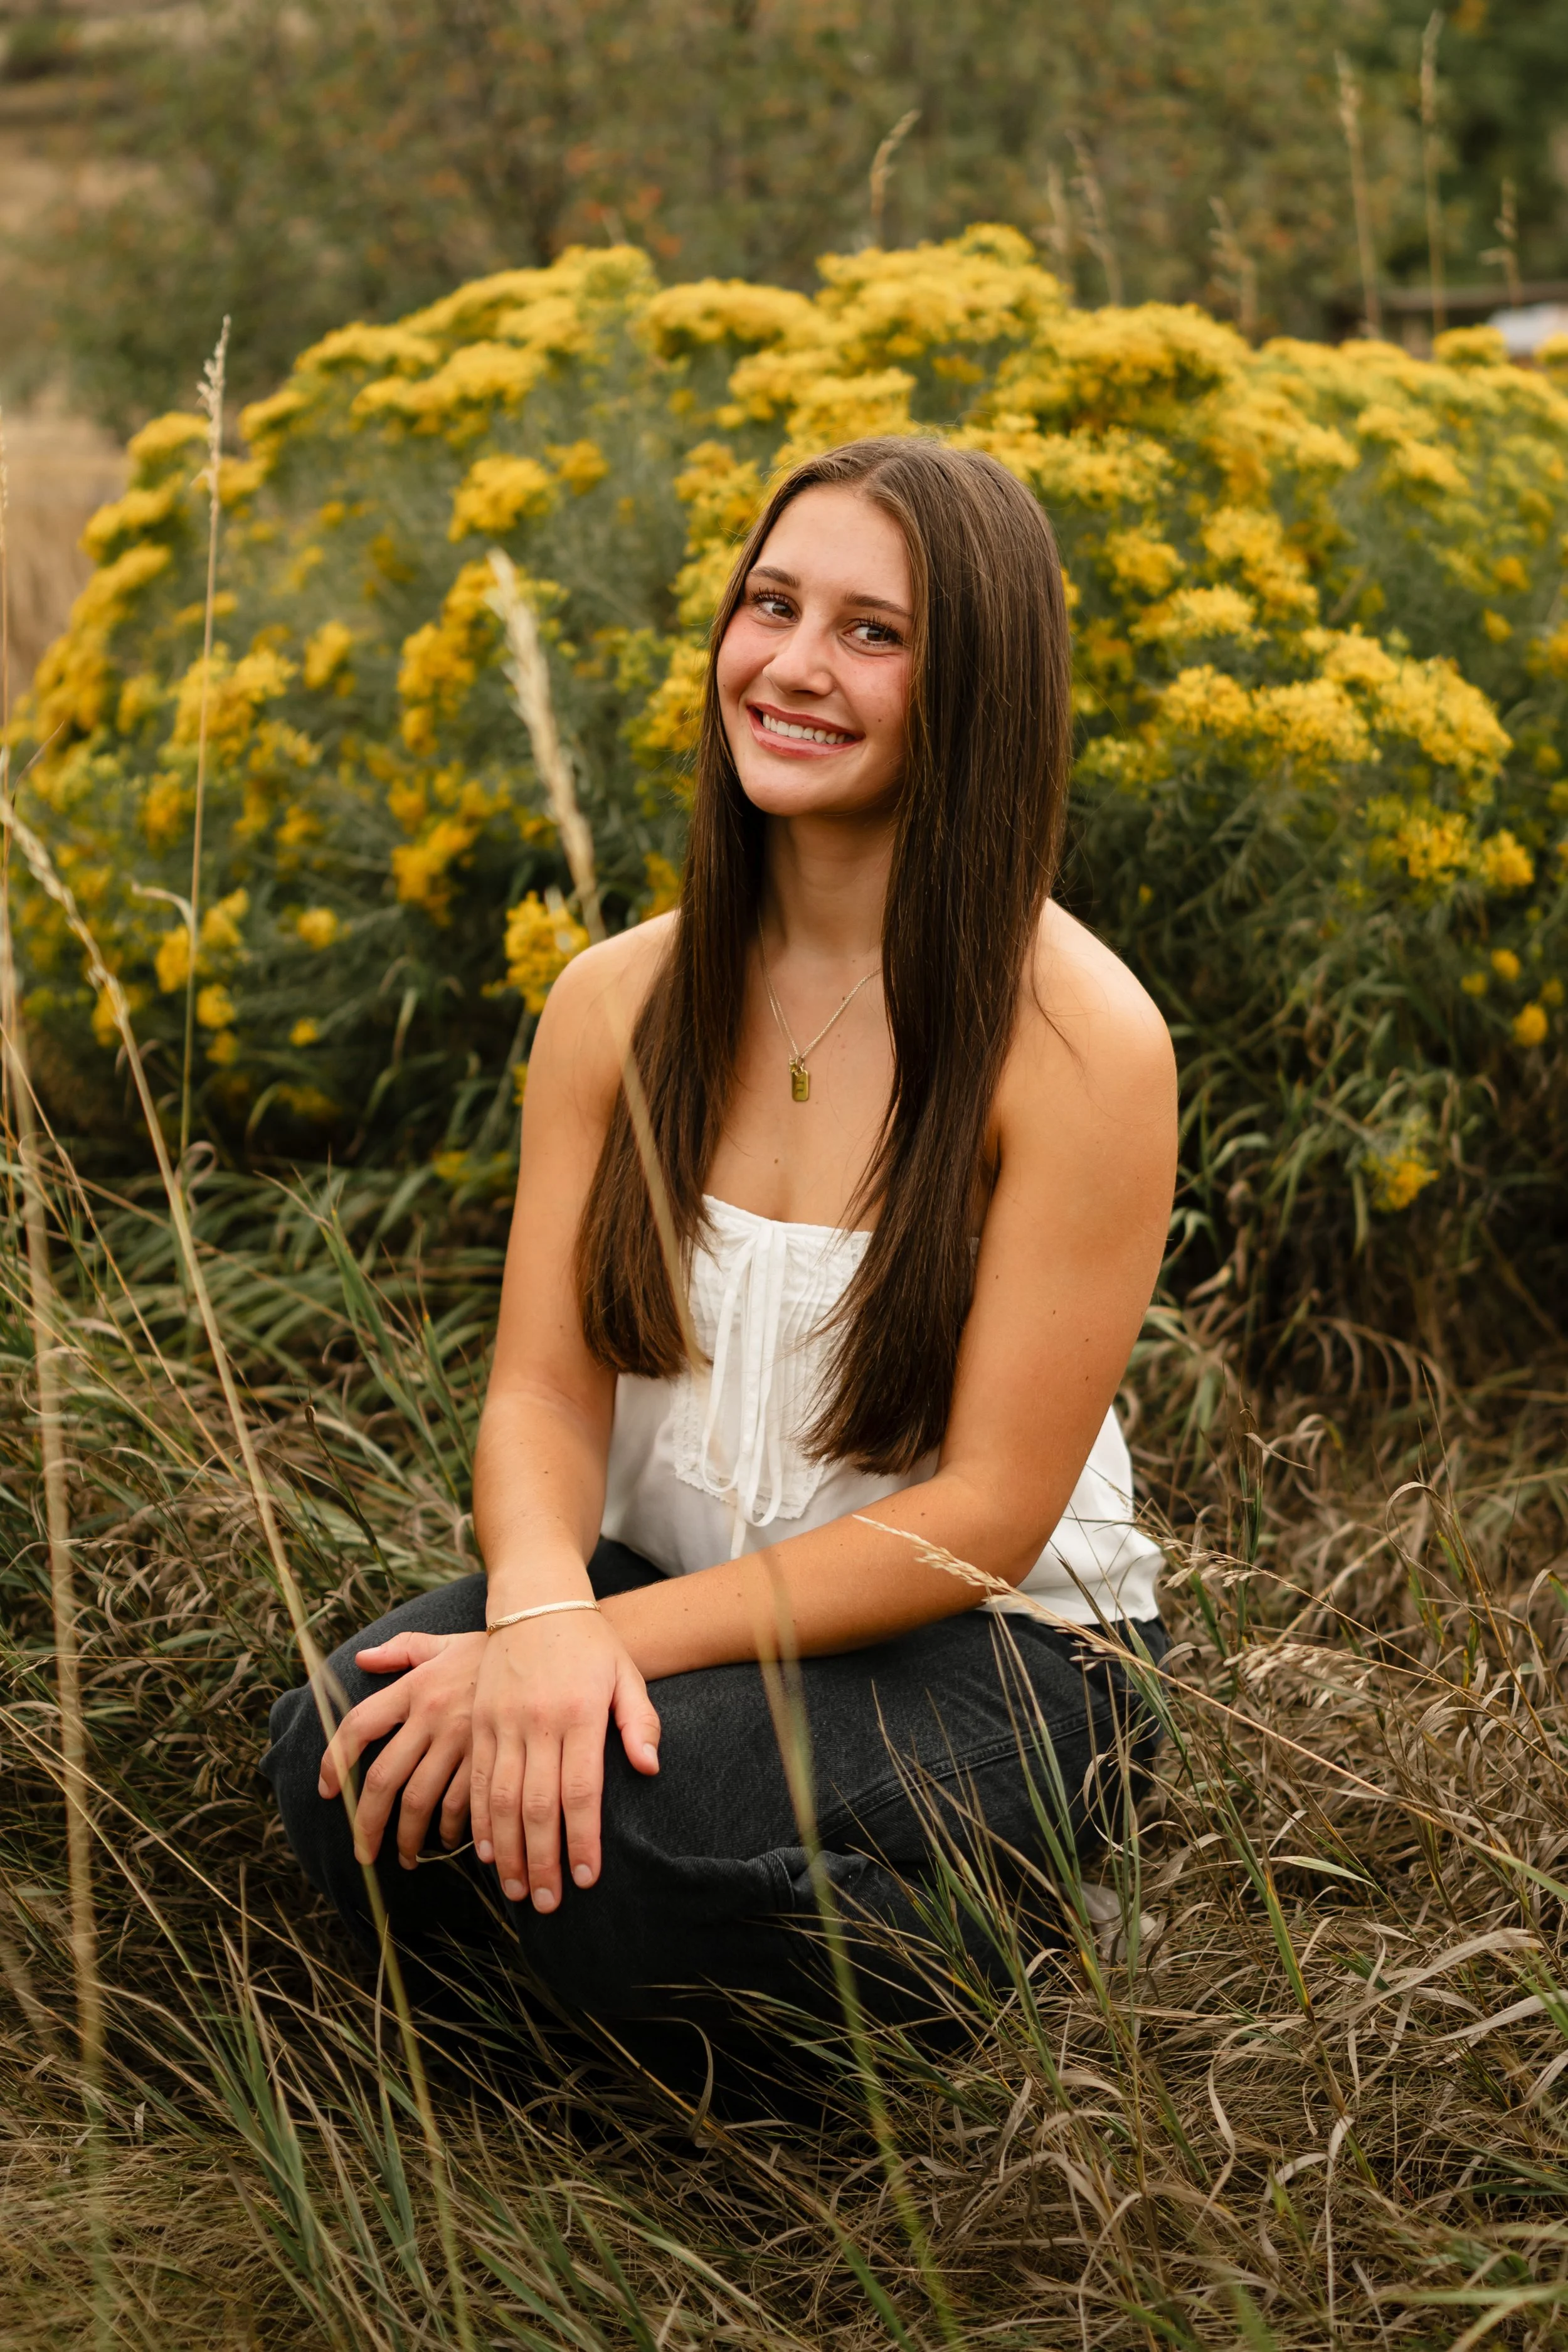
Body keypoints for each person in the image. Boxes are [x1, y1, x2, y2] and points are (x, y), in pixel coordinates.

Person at [263, 435, 1178, 2052]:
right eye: (773, 606)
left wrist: (585, 1652)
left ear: (979, 685)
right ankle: (653, 1996)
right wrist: (542, 1611)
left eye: (873, 633)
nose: (794, 669)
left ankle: (1023, 1948)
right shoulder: (618, 1002)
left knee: (624, 1830)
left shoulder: (1077, 1037)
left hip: (996, 1655)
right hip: (653, 1585)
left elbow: (982, 1516)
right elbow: (545, 1397)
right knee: (345, 1756)